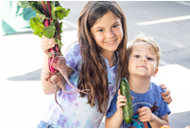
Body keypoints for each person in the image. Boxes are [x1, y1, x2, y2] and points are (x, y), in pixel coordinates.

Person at [38, 2, 172, 128]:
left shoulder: (122, 61)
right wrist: (47, 54)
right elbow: (48, 88)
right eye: (100, 30)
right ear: (90, 32)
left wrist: (160, 92)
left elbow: (138, 80)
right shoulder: (79, 52)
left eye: (115, 26)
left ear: (122, 24)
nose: (110, 35)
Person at [105, 34, 171, 128]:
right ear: (126, 64)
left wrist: (152, 118)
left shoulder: (160, 93)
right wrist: (119, 113)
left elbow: (166, 125)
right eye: (137, 56)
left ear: (155, 71)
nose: (143, 60)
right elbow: (109, 127)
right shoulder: (118, 93)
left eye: (149, 58)